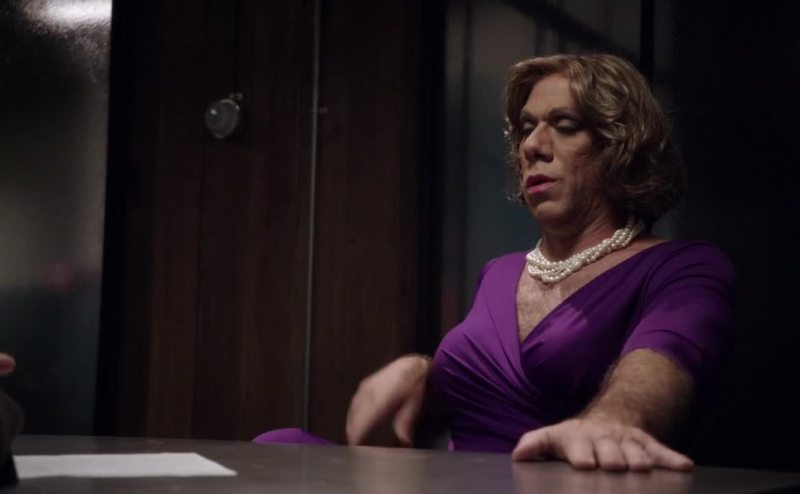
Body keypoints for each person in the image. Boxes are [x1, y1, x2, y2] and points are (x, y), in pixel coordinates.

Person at [259, 53, 736, 472]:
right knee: (278, 446)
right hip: (448, 479)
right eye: (527, 128)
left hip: (554, 484)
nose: (532, 146)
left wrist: (613, 422)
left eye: (564, 125)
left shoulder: (684, 267)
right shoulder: (500, 272)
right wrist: (420, 370)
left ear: (620, 147)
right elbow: (481, 391)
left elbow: (665, 362)